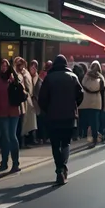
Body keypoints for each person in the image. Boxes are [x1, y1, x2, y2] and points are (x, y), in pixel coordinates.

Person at [38, 55, 83, 185]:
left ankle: (59, 169)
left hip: (53, 116)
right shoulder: (73, 77)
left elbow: (42, 99)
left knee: (55, 144)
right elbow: (80, 95)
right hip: (69, 115)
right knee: (66, 143)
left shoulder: (49, 78)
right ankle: (62, 168)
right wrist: (74, 105)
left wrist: (48, 110)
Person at [0, 59, 25, 173]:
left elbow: (22, 92)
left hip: (13, 110)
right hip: (0, 110)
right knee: (4, 136)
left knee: (12, 136)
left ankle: (15, 163)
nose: (4, 67)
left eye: (5, 65)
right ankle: (4, 162)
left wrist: (15, 83)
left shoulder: (14, 77)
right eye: (2, 65)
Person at [79, 60, 105, 147]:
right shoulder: (98, 77)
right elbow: (102, 88)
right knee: (92, 121)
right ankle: (92, 137)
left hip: (90, 102)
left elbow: (83, 84)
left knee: (91, 122)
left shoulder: (89, 76)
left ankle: (92, 137)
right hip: (93, 102)